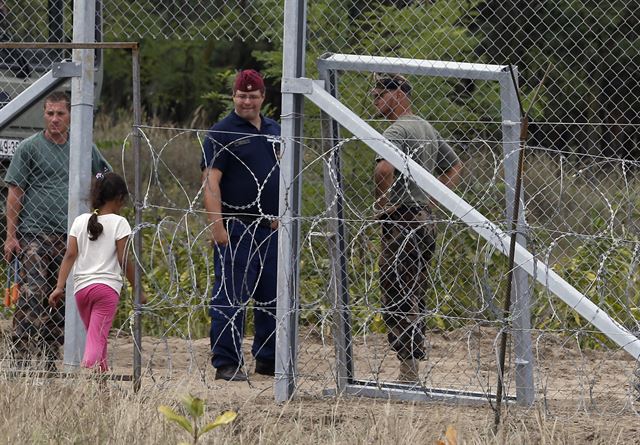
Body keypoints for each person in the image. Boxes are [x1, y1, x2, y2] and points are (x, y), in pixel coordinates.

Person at [3, 91, 111, 370]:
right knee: (32, 293)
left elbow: (103, 173)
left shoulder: (83, 147)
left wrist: (95, 194)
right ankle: (21, 353)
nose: (54, 119)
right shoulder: (30, 148)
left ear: (70, 116)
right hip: (35, 233)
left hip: (71, 236)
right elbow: (15, 192)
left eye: (60, 114)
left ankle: (50, 352)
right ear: (44, 115)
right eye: (49, 114)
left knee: (61, 295)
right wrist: (11, 236)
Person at [372, 74, 463, 383]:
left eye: (380, 95)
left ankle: (408, 367)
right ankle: (410, 363)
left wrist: (383, 203)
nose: (375, 101)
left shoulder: (397, 129)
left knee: (396, 288)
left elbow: (384, 168)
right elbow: (454, 166)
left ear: (398, 94)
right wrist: (432, 200)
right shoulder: (425, 128)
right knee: (415, 288)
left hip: (401, 221)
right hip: (423, 220)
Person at [201, 69, 281, 382]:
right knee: (230, 296)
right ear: (234, 96)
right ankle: (227, 362)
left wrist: (282, 215)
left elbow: (284, 176)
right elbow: (210, 182)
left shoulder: (275, 130)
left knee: (272, 296)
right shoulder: (222, 132)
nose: (247, 100)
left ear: (263, 97)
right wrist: (217, 226)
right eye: (241, 94)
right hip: (236, 227)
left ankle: (269, 358)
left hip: (270, 228)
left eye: (253, 95)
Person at [48, 172, 142, 372]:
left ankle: (101, 390)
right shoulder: (119, 222)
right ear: (119, 199)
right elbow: (123, 259)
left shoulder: (80, 221)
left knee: (97, 338)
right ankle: (86, 380)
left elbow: (70, 255)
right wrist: (137, 288)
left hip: (82, 291)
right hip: (106, 290)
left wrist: (59, 287)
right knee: (96, 342)